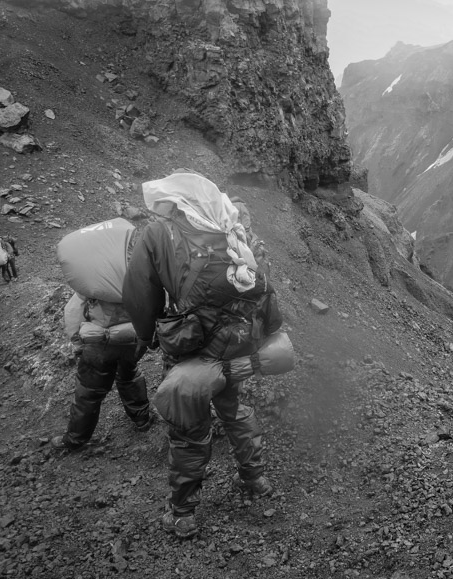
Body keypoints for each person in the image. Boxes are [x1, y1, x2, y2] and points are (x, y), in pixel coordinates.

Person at [123, 172, 281, 539]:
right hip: (236, 344)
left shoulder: (158, 233)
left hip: (190, 348)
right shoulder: (236, 231)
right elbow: (263, 287)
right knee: (234, 406)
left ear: (177, 202)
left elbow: (138, 292)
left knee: (189, 428)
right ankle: (256, 478)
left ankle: (183, 514)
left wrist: (147, 336)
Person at [51, 297, 152, 451]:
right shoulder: (136, 275)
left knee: (89, 391)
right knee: (128, 374)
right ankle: (142, 419)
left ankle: (75, 439)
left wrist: (77, 342)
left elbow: (73, 310)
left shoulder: (93, 279)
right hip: (132, 337)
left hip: (99, 341)